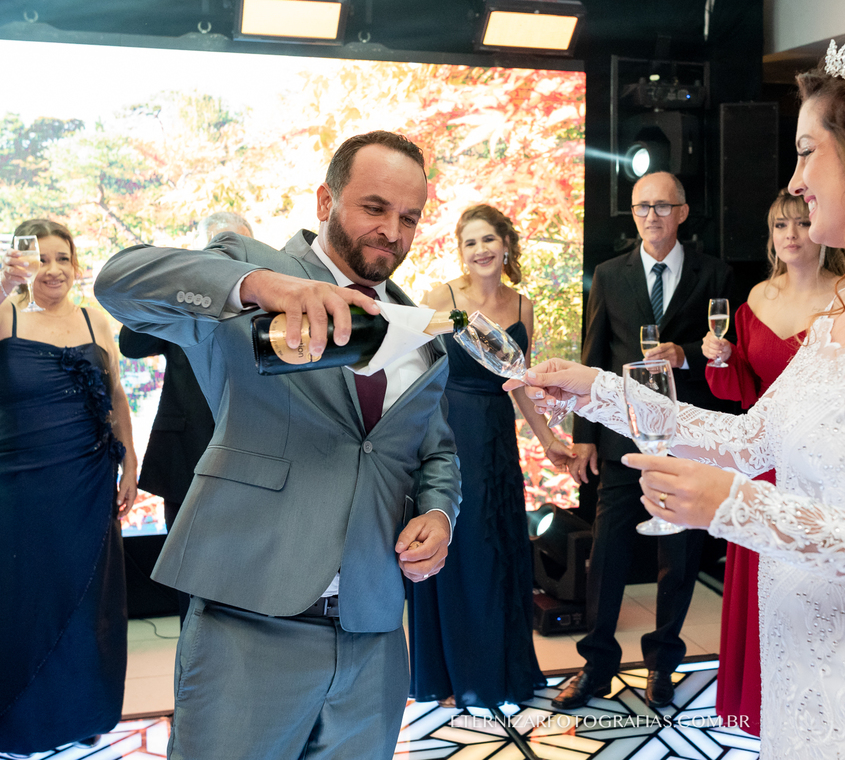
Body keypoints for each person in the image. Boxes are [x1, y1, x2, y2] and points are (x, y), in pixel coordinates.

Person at [512, 36, 845, 757]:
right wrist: (591, 388)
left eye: (807, 152)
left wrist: (737, 507)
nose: (796, 180)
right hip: (805, 679)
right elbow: (751, 440)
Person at [94, 130, 462, 760]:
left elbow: (437, 453)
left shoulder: (421, 329)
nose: (392, 232)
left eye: (409, 218)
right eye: (375, 208)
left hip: (373, 628)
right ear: (326, 201)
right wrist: (266, 287)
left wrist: (438, 513)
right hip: (248, 613)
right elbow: (118, 281)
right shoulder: (250, 267)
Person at [555, 170, 735, 710]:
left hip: (683, 438)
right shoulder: (610, 275)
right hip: (620, 438)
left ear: (682, 212)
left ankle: (663, 664)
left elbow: (724, 354)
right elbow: (592, 355)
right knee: (607, 554)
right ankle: (596, 666)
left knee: (678, 558)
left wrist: (686, 355)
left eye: (662, 206)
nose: (651, 216)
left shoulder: (715, 273)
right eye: (641, 207)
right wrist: (584, 436)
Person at [410, 204, 571, 708]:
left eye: (488, 240)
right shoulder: (442, 298)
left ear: (505, 245)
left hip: (498, 438)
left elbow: (520, 383)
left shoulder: (522, 306)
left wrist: (548, 440)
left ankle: (501, 670)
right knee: (464, 551)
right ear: (461, 251)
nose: (480, 250)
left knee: (500, 548)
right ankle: (456, 674)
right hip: (452, 432)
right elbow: (415, 370)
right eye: (470, 242)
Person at [700, 189, 845, 735]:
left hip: (825, 463)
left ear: (822, 229)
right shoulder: (757, 297)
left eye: (802, 222)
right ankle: (768, 711)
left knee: (817, 586)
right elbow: (744, 389)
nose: (791, 234)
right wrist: (724, 359)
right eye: (781, 224)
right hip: (764, 462)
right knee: (764, 587)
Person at [0, 219, 137, 753]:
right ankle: (20, 721)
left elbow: (117, 395)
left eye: (63, 257)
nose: (53, 269)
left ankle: (85, 714)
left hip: (91, 481)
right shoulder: (6, 315)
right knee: (26, 599)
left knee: (90, 604)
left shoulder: (93, 319)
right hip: (22, 487)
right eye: (40, 258)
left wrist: (129, 462)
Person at [118, 212, 255, 622]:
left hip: (254, 460)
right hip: (185, 461)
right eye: (218, 248)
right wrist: (183, 286)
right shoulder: (184, 299)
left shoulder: (269, 298)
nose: (228, 257)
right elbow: (130, 344)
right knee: (189, 581)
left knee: (248, 578)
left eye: (238, 247)